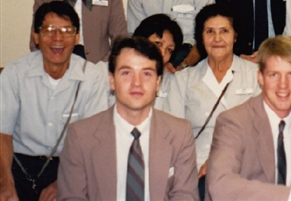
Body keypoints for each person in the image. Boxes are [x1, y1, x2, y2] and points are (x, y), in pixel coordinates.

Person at [57, 36, 199, 201]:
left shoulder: (179, 133)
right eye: (126, 73)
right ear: (112, 81)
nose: (136, 83)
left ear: (158, 83)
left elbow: (185, 196)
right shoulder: (80, 136)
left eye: (146, 74)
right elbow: (72, 197)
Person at [1, 1, 109, 201]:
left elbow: (95, 142)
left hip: (72, 166)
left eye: (66, 30)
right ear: (36, 35)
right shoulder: (15, 73)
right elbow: (2, 134)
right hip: (17, 164)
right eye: (49, 30)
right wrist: (5, 183)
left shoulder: (92, 77)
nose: (57, 38)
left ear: (77, 37)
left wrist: (65, 182)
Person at [162, 4, 261, 200]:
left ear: (235, 36)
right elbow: (173, 136)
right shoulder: (184, 80)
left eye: (224, 31)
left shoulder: (255, 76)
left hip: (244, 163)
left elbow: (262, 131)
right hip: (194, 167)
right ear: (201, 38)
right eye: (209, 32)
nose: (217, 39)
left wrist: (220, 160)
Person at [206, 36, 291, 201]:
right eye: (274, 75)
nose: (283, 85)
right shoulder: (233, 122)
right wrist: (289, 197)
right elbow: (220, 184)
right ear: (260, 77)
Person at [133, 13, 183, 109]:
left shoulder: (173, 83)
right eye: (158, 44)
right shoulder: (109, 74)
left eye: (169, 50)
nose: (162, 53)